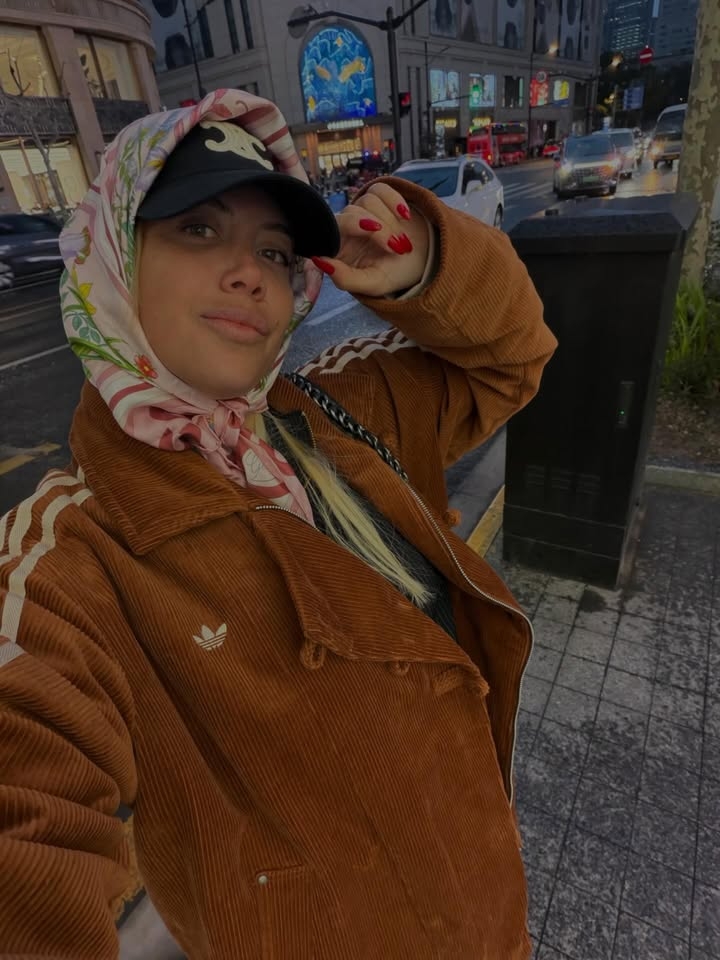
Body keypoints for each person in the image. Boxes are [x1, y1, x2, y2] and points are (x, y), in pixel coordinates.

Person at [0, 88, 557, 959]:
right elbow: (28, 815)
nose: (250, 273)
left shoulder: (340, 406)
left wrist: (425, 266)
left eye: (273, 249)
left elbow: (510, 361)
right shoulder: (73, 554)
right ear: (113, 256)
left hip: (491, 922)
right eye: (198, 229)